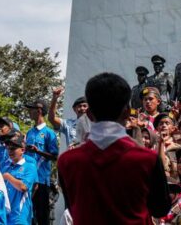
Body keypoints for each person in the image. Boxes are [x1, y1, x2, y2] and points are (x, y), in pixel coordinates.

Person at [57, 72, 170, 225]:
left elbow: (72, 207)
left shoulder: (67, 161)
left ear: (89, 114)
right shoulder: (147, 159)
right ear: (126, 112)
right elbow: (160, 209)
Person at [24, 99, 59, 225]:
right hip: (28, 179)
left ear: (39, 111)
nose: (29, 112)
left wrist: (38, 151)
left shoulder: (49, 133)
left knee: (42, 216)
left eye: (31, 109)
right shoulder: (29, 132)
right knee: (29, 214)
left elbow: (55, 156)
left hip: (42, 180)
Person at [2, 134, 38, 225]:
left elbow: (23, 187)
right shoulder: (6, 167)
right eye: (8, 148)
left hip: (20, 215)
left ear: (22, 150)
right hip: (5, 214)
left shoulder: (30, 167)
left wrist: (7, 176)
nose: (10, 151)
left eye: (13, 148)